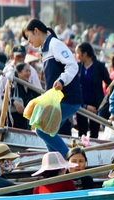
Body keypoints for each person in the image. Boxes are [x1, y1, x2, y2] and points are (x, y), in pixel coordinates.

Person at [21, 19, 83, 157]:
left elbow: (72, 65)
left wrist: (61, 80)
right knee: (49, 132)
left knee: (42, 130)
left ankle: (72, 159)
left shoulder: (55, 44)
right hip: (57, 99)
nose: (29, 42)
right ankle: (55, 166)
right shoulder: (44, 49)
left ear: (36, 31)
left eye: (29, 37)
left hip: (68, 98)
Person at [75, 42, 112, 139]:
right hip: (82, 104)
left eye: (78, 53)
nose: (77, 56)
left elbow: (109, 82)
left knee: (94, 133)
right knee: (81, 132)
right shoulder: (77, 67)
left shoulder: (99, 66)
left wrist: (106, 100)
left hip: (96, 105)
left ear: (85, 54)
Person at [0, 44, 42, 115]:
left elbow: (37, 90)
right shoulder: (8, 70)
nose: (21, 59)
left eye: (23, 56)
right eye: (18, 56)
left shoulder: (31, 71)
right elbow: (1, 91)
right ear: (12, 56)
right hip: (10, 109)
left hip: (26, 110)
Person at [5, 62, 39, 130]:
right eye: (26, 71)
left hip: (27, 121)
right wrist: (14, 102)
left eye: (29, 71)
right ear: (18, 72)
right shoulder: (13, 84)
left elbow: (38, 97)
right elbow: (5, 97)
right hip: (14, 121)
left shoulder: (30, 86)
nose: (29, 73)